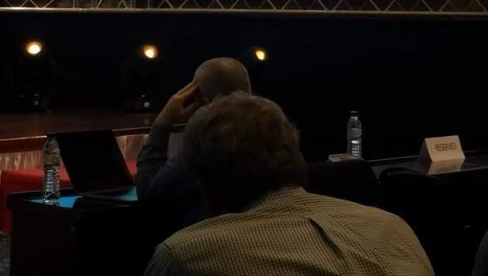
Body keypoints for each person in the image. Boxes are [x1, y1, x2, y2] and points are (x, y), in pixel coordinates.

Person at [143, 93, 434, 276]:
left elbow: (151, 194)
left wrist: (160, 127)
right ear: (296, 155)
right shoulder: (392, 229)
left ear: (204, 183)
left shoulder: (183, 256)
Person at [136, 57, 251, 230]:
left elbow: (150, 195)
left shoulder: (206, 141)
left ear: (198, 96)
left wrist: (161, 124)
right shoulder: (273, 130)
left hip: (209, 242)